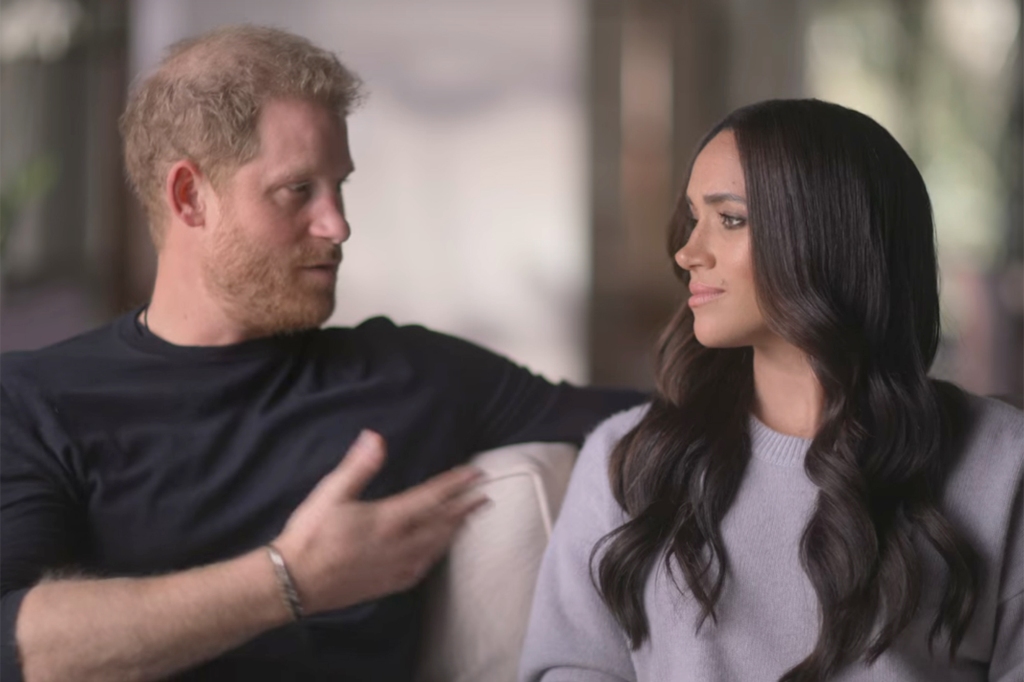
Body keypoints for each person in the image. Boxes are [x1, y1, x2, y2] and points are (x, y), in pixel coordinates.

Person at [0, 25, 644, 681]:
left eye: (339, 187)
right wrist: (290, 580)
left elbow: (663, 425)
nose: (337, 225)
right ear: (190, 197)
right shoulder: (35, 401)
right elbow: (17, 646)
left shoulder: (408, 373)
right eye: (297, 191)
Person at [519, 99, 1023, 682]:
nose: (687, 253)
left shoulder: (1005, 463)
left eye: (729, 219)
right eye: (692, 217)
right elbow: (574, 668)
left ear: (830, 237)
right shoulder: (626, 456)